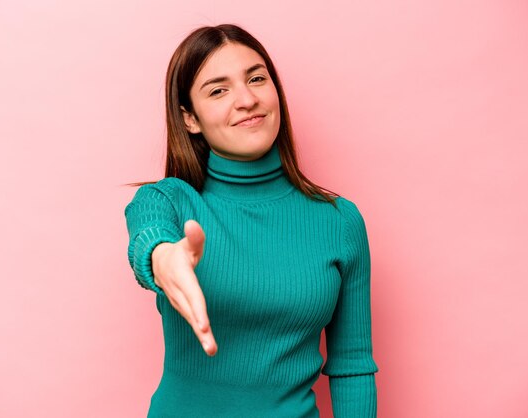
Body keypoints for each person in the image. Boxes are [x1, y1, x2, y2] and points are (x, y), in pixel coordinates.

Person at [124, 23, 379, 418]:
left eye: (257, 79)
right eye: (218, 89)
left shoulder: (340, 221)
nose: (246, 99)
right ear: (190, 118)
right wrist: (162, 258)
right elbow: (150, 236)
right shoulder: (168, 201)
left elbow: (352, 367)